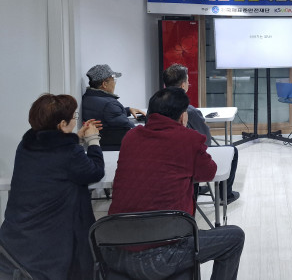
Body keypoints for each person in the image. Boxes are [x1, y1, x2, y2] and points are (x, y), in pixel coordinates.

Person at [107, 87, 244, 280]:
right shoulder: (188, 139)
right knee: (234, 237)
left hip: (114, 253)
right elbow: (209, 172)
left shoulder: (131, 137)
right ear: (182, 116)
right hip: (159, 256)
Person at [0, 94, 104, 280]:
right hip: (48, 244)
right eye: (74, 117)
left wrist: (75, 138)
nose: (75, 120)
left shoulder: (26, 145)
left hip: (16, 238)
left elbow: (54, 161)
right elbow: (94, 172)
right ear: (62, 124)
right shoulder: (69, 153)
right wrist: (93, 140)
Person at [162, 63, 240, 204]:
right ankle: (225, 196)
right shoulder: (189, 111)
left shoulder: (154, 107)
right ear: (183, 85)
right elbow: (205, 142)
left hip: (164, 162)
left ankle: (196, 187)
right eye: (188, 81)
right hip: (187, 162)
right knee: (232, 150)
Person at [81, 64, 145, 149]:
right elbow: (130, 128)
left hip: (100, 144)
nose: (115, 83)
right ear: (104, 84)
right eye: (113, 80)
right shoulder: (109, 104)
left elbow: (106, 115)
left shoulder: (88, 97)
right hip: (115, 147)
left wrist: (128, 110)